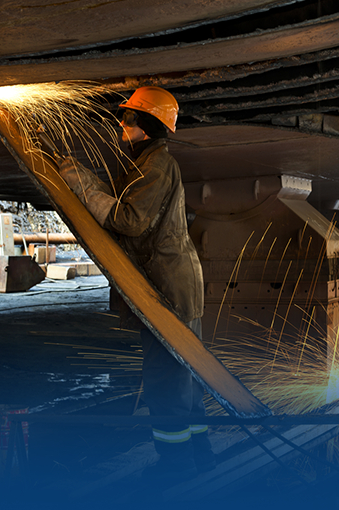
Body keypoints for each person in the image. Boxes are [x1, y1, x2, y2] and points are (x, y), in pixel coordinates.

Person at [57, 86, 215, 478]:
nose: (121, 124)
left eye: (127, 118)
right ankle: (202, 455)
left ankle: (176, 467)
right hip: (176, 282)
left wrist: (85, 187)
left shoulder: (154, 166)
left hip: (167, 288)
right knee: (187, 377)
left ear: (144, 124)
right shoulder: (149, 162)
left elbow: (129, 220)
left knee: (166, 383)